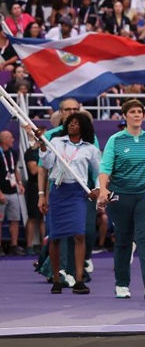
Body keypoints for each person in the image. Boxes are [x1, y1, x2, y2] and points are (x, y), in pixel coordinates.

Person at [35, 112, 101, 295]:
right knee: (55, 237)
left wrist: (96, 188)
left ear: (84, 127)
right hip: (58, 191)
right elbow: (47, 163)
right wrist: (42, 146)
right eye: (70, 123)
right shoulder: (56, 142)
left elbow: (99, 171)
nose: (72, 125)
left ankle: (78, 279)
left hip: (78, 193)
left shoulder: (90, 148)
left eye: (77, 123)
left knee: (79, 234)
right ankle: (56, 279)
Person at [96, 100, 145, 300]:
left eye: (140, 111)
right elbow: (106, 167)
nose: (137, 114)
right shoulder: (116, 140)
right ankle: (121, 283)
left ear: (144, 116)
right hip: (120, 195)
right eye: (133, 112)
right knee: (123, 239)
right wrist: (103, 188)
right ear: (125, 116)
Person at [0, 130, 24, 256]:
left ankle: (14, 245)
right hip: (1, 192)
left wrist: (19, 183)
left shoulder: (13, 153)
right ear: (3, 140)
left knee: (15, 219)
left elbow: (14, 170)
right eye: (10, 138)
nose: (13, 140)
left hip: (12, 190)